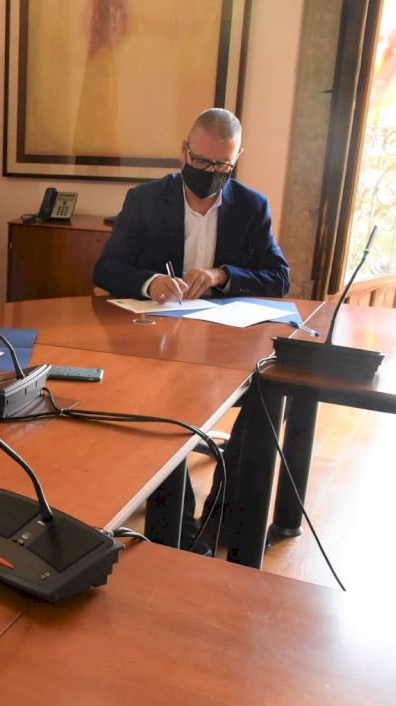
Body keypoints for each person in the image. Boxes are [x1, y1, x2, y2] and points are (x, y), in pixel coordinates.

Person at [93, 108, 291, 549]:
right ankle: (177, 532)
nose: (211, 173)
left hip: (226, 341)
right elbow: (107, 268)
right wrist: (150, 282)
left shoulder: (251, 206)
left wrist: (223, 275)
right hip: (156, 340)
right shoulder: (146, 199)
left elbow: (279, 277)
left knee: (268, 397)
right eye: (202, 162)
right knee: (167, 407)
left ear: (237, 159)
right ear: (184, 151)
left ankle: (226, 515)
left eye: (223, 165)